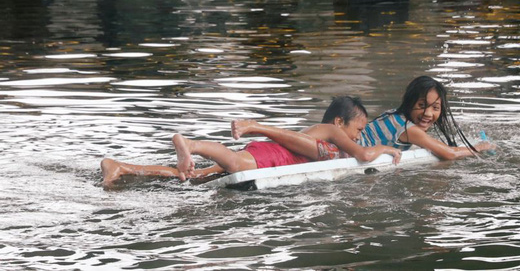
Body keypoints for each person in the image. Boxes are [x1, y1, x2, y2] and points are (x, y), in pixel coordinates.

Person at [101, 96, 401, 187]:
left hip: (270, 154)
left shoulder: (322, 135)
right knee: (232, 160)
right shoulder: (331, 132)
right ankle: (189, 144)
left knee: (194, 176)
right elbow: (363, 155)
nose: (359, 135)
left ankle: (121, 167)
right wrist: (387, 148)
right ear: (339, 122)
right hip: (273, 157)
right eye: (358, 128)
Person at [357, 75, 495, 159]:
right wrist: (480, 147)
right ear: (409, 102)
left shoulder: (395, 114)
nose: (428, 113)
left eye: (435, 108)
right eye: (422, 105)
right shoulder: (408, 129)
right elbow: (450, 154)